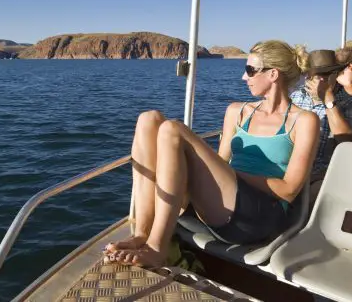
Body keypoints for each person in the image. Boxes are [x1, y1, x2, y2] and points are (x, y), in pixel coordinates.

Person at [104, 40, 320, 267]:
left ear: (273, 74)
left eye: (250, 71)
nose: (244, 78)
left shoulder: (304, 121)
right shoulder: (237, 112)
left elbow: (288, 191)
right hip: (223, 202)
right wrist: (222, 169)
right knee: (148, 119)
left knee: (173, 129)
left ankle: (158, 248)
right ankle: (142, 233)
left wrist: (231, 172)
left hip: (258, 217)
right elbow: (220, 163)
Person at [290, 50, 352, 201]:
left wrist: (329, 101)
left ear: (335, 75)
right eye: (315, 75)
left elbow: (346, 143)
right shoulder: (295, 97)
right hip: (292, 168)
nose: (320, 79)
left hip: (324, 174)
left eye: (326, 75)